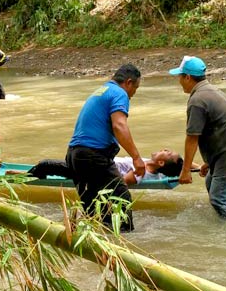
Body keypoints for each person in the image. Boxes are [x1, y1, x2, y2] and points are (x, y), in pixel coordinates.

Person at [170, 55, 226, 219]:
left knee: (219, 199)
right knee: (211, 184)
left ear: (188, 77)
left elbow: (192, 138)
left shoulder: (197, 100)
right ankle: (223, 223)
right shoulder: (210, 90)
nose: (179, 81)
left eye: (180, 77)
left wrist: (185, 171)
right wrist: (209, 162)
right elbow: (220, 128)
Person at [65, 64, 144, 232]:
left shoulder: (102, 90)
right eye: (135, 88)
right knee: (121, 200)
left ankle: (96, 251)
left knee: (94, 210)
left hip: (75, 155)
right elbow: (119, 126)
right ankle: (126, 249)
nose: (133, 94)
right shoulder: (119, 93)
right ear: (128, 83)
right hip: (93, 156)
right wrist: (136, 158)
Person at [22, 149, 188, 187]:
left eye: (166, 152)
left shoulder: (141, 172)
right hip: (95, 163)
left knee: (46, 164)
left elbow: (121, 183)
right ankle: (29, 173)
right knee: (53, 167)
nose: (165, 149)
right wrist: (190, 169)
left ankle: (19, 177)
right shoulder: (147, 164)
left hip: (94, 171)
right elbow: (182, 162)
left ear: (161, 163)